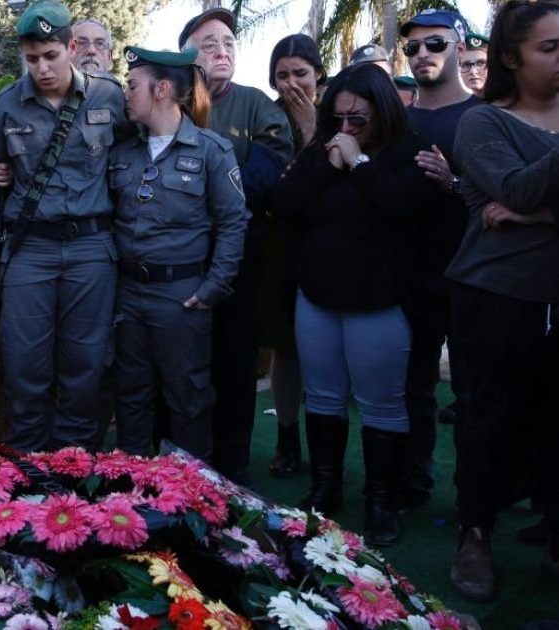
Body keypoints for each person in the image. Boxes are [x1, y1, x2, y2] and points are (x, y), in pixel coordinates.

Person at [272, 62, 437, 547]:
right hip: (318, 298)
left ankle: (381, 501)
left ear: (382, 112)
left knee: (382, 405)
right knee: (321, 398)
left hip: (380, 303)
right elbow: (284, 201)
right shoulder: (322, 151)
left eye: (357, 120)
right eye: (338, 118)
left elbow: (404, 204)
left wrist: (360, 162)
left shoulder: (410, 152)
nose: (345, 128)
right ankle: (326, 488)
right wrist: (331, 160)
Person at [0, 0, 126, 452]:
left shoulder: (109, 96)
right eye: (32, 59)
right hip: (29, 250)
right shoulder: (6, 106)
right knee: (25, 364)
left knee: (85, 363)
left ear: (71, 47)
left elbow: (136, 155)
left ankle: (76, 465)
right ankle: (29, 463)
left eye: (50, 56)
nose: (42, 68)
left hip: (92, 248)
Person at [446, 0, 559, 601]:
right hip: (493, 296)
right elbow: (510, 186)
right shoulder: (484, 123)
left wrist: (532, 214)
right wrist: (523, 199)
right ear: (512, 57)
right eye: (550, 48)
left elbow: (522, 197)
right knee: (485, 420)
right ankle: (476, 535)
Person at [109, 46, 248, 457]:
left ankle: (189, 502)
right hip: (128, 294)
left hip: (181, 296)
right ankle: (130, 496)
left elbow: (234, 222)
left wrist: (214, 288)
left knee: (187, 399)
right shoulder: (123, 151)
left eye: (132, 85)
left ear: (162, 89)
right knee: (130, 397)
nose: (125, 94)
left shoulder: (211, 151)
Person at [179, 8, 293, 486]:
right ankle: (179, 460)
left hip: (239, 258)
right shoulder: (168, 101)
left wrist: (199, 196)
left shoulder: (256, 105)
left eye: (228, 42)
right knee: (182, 362)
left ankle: (233, 463)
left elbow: (265, 173)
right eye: (208, 43)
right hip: (178, 257)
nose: (221, 50)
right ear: (185, 56)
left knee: (235, 359)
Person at [398, 8, 482, 513]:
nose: (423, 54)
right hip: (408, 277)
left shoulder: (485, 115)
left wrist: (453, 185)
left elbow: (511, 196)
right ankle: (413, 483)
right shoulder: (399, 122)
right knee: (413, 390)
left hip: (475, 277)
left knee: (476, 396)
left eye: (435, 44)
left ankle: (478, 507)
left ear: (459, 44)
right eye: (413, 47)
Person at [261, 33, 326, 478]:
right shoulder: (265, 118)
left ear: (318, 74)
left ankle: (327, 449)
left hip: (329, 247)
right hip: (279, 247)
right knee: (286, 350)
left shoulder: (344, 112)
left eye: (300, 73)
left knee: (323, 352)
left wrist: (310, 129)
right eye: (281, 75)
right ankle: (287, 438)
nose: (291, 84)